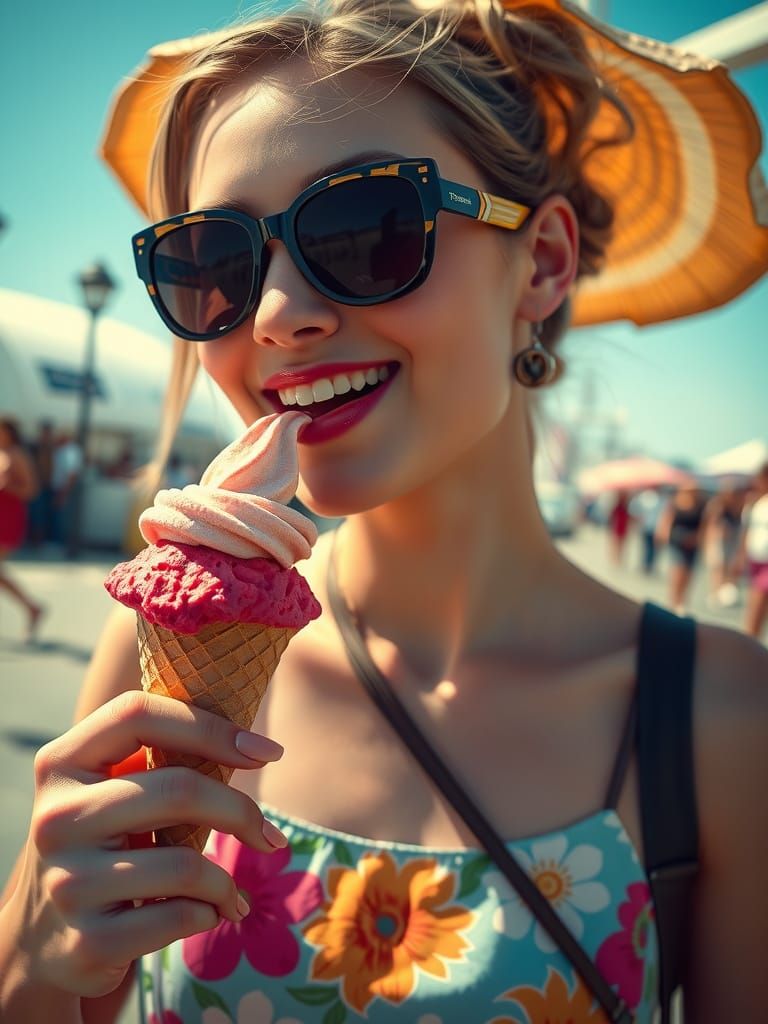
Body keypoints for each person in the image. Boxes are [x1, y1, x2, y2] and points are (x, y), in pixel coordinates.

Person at [1, 2, 767, 1021]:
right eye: (216, 264)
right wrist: (31, 961)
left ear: (540, 261)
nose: (276, 315)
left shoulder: (719, 721)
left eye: (363, 228)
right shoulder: (161, 647)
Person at [0, 418, 45, 641]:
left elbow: (31, 489)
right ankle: (31, 608)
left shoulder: (17, 455)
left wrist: (9, 487)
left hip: (7, 517)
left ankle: (32, 608)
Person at [656, 484, 708, 617]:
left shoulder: (701, 504)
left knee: (688, 574)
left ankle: (681, 601)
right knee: (677, 571)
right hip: (677, 540)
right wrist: (663, 535)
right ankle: (673, 602)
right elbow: (667, 520)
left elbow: (704, 525)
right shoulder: (675, 502)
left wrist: (699, 540)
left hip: (692, 542)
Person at [703, 481, 745, 608]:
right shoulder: (718, 505)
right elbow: (711, 524)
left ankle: (723, 591)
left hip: (731, 541)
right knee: (718, 567)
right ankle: (716, 592)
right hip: (718, 541)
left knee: (727, 567)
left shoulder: (738, 506)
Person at [739, 462, 768, 640]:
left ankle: (750, 641)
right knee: (754, 603)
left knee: (759, 601)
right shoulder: (757, 501)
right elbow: (748, 529)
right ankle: (751, 640)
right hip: (755, 557)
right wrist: (741, 554)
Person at [50, 430, 83, 548]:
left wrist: (64, 493)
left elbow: (72, 474)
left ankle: (59, 543)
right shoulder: (62, 449)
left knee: (62, 517)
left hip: (64, 489)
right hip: (59, 488)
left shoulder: (70, 451)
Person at [26, 420, 56, 547]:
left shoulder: (51, 447)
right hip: (36, 486)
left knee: (43, 515)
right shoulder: (34, 447)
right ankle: (35, 542)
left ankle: (40, 541)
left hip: (47, 486)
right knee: (36, 514)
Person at [628, 487, 664, 575]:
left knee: (653, 548)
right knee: (647, 547)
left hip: (655, 528)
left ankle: (649, 565)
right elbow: (635, 510)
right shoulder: (646, 497)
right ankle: (646, 565)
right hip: (647, 527)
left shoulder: (662, 499)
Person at [606, 489, 632, 566]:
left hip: (623, 527)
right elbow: (611, 516)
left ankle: (618, 558)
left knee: (621, 544)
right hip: (617, 527)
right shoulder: (618, 506)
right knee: (616, 543)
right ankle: (615, 558)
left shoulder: (627, 507)